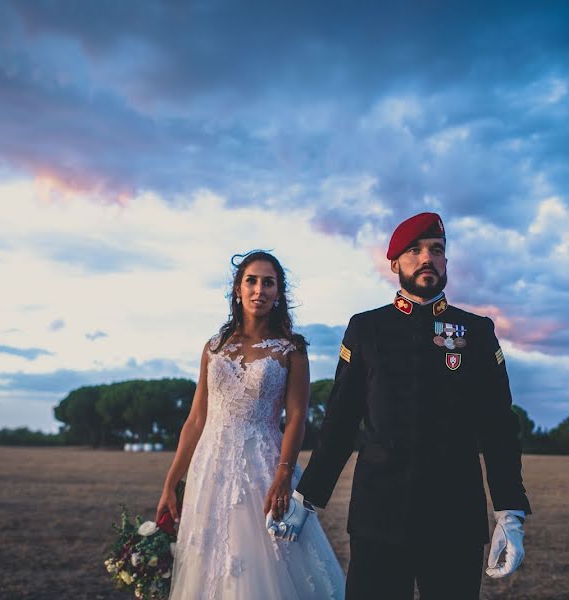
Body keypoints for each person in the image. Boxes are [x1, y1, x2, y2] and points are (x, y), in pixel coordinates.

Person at [267, 213, 531, 599]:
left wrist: (510, 512)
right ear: (394, 264)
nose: (428, 258)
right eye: (415, 250)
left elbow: (498, 428)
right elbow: (340, 423)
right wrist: (307, 499)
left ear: (445, 261)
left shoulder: (476, 332)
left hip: (454, 519)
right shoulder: (366, 329)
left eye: (437, 250)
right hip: (379, 518)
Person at [156, 250, 345, 599]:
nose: (259, 290)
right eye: (252, 280)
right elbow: (197, 419)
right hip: (209, 470)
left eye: (268, 282)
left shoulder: (291, 350)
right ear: (238, 288)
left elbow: (297, 417)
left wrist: (284, 474)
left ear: (278, 293)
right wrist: (171, 483)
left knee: (264, 566)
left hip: (264, 470)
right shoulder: (213, 347)